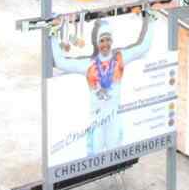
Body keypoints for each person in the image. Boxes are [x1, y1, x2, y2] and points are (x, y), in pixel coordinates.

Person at [53, 14, 153, 157]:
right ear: (96, 42)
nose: (105, 44)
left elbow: (144, 47)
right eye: (101, 40)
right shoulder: (89, 64)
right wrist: (52, 34)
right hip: (97, 120)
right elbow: (60, 63)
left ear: (112, 41)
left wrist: (151, 19)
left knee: (115, 155)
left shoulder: (120, 58)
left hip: (114, 118)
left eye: (108, 40)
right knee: (95, 157)